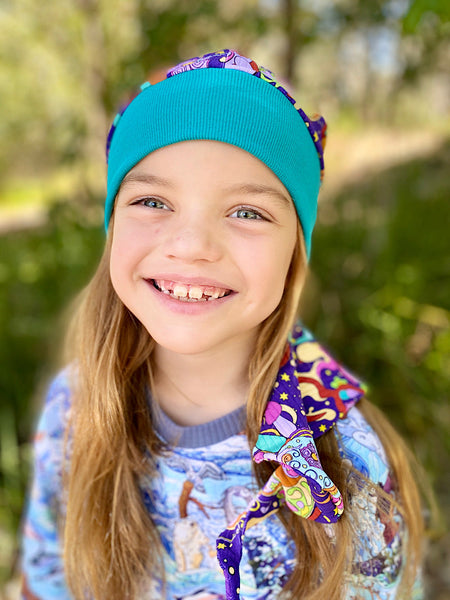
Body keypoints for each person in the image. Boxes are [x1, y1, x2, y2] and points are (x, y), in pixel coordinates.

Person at [21, 49, 425, 600]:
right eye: (152, 201)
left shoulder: (348, 463)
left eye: (247, 212)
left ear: (295, 255)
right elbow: (44, 583)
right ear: (112, 228)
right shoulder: (76, 409)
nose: (191, 246)